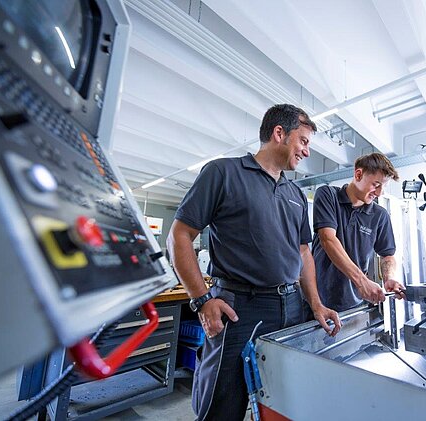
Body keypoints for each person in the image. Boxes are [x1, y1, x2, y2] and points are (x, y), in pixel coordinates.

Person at [167, 104, 341, 421]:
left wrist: (315, 305)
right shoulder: (222, 172)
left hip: (290, 309)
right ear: (279, 133)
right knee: (222, 406)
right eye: (302, 141)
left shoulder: (296, 194)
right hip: (238, 309)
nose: (306, 151)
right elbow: (179, 235)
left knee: (281, 403)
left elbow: (303, 253)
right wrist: (202, 300)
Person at [311, 152, 405, 313]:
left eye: (384, 187)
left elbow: (387, 255)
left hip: (355, 303)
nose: (379, 193)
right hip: (318, 301)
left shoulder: (380, 215)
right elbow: (328, 239)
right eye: (376, 185)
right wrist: (362, 282)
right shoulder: (328, 195)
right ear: (358, 174)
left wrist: (389, 278)